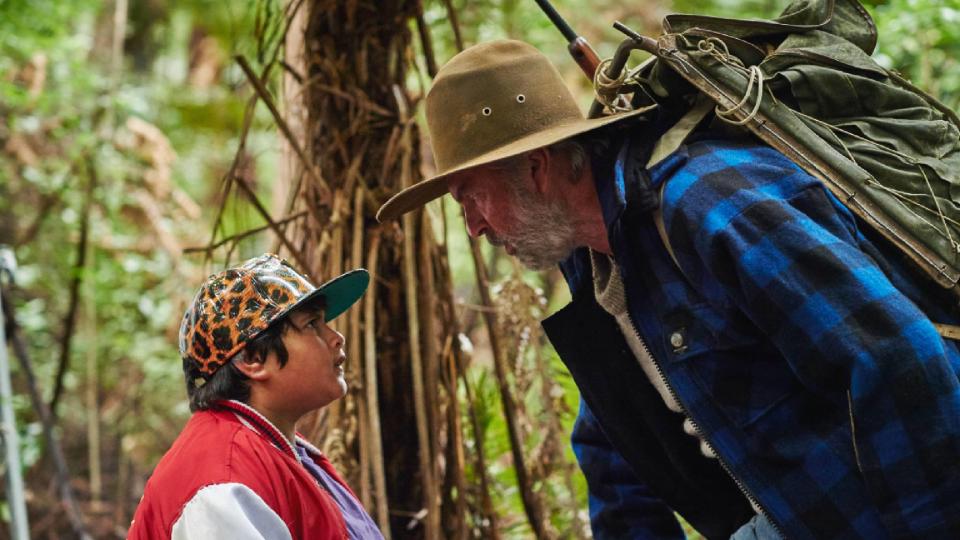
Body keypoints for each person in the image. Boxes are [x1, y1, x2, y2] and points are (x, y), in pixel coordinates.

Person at [377, 39, 960, 539]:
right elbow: (616, 453)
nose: (475, 227)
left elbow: (895, 358)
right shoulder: (594, 264)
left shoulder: (709, 204)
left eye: (470, 198)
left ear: (536, 168)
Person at [128, 254, 383, 540]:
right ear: (252, 358)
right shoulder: (221, 485)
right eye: (312, 324)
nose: (337, 337)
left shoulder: (281, 451)